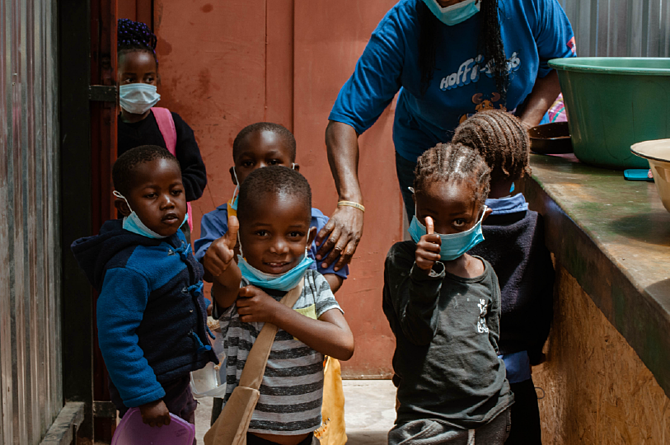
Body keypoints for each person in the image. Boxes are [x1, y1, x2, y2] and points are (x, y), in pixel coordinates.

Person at [317, 0, 576, 271]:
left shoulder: (528, 5)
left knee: (514, 256)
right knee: (440, 261)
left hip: (510, 153)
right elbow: (345, 119)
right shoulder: (402, 26)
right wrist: (350, 201)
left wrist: (520, 131)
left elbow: (559, 65)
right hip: (434, 159)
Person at [71, 145, 217, 429]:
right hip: (150, 386)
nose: (167, 202)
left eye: (175, 191)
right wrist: (146, 398)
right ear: (125, 205)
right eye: (152, 195)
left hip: (176, 377)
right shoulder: (128, 268)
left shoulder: (170, 243)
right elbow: (116, 337)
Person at [208, 166, 355, 445]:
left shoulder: (313, 284)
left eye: (294, 235)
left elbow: (344, 343)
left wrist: (275, 312)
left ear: (309, 239)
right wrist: (221, 259)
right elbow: (226, 280)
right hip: (248, 437)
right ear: (240, 237)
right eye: (262, 233)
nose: (278, 247)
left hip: (306, 436)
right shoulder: (240, 289)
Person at [383, 143, 513, 444]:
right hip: (427, 418)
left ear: (482, 215)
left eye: (458, 221)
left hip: (490, 414)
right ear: (415, 203)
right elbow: (416, 330)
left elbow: (491, 339)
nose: (441, 232)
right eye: (431, 217)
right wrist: (425, 272)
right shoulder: (403, 261)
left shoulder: (485, 272)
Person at [453, 110, 555, 445]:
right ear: (521, 164)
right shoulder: (534, 226)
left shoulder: (452, 230)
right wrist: (534, 350)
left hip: (456, 373)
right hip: (514, 373)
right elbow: (543, 297)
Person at [194, 122, 349, 293]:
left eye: (273, 162)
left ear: (294, 170)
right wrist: (218, 256)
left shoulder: (316, 222)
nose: (259, 170)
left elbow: (333, 271)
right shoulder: (218, 221)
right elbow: (207, 272)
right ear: (234, 174)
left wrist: (302, 301)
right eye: (248, 163)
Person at [116, 18, 207, 240]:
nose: (140, 86)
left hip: (172, 230)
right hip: (124, 231)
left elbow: (196, 176)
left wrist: (166, 195)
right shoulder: (107, 130)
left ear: (157, 80)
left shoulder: (170, 123)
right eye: (130, 79)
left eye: (148, 79)